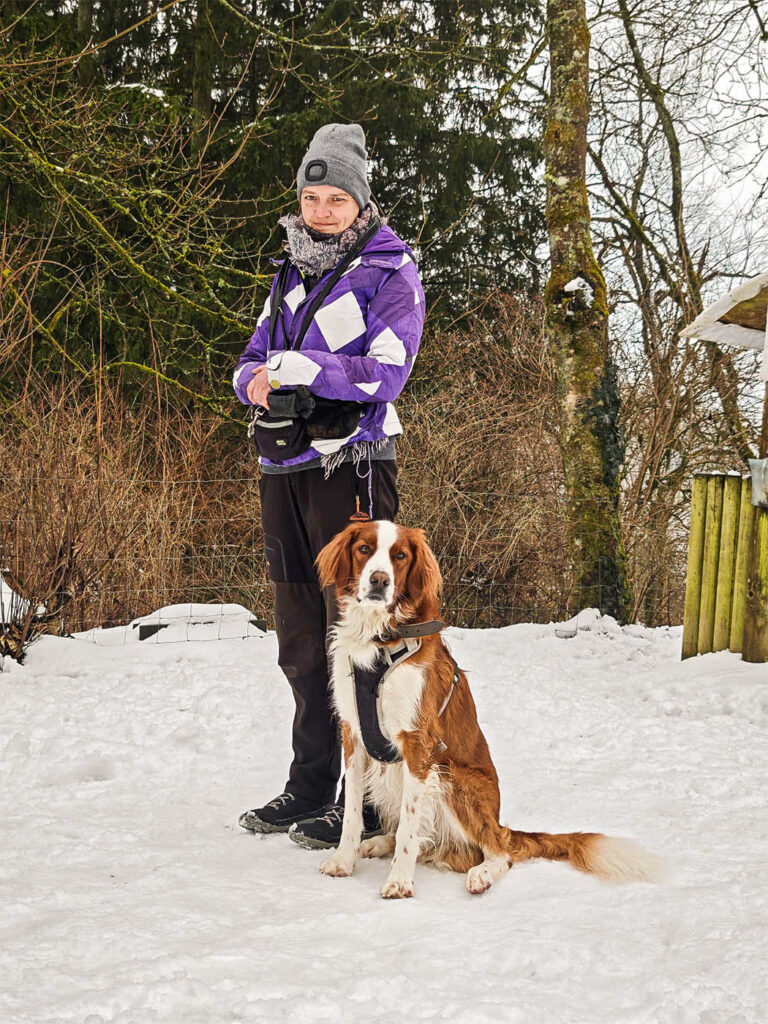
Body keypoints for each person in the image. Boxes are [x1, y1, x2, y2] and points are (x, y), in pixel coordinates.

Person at [232, 123, 425, 849]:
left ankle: (371, 803)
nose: (320, 210)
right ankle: (310, 785)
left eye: (334, 197)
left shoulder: (389, 270)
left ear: (359, 201)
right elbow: (250, 357)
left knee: (364, 635)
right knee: (301, 640)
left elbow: (389, 368)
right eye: (311, 197)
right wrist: (255, 381)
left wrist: (312, 373)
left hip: (353, 465)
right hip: (282, 468)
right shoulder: (289, 271)